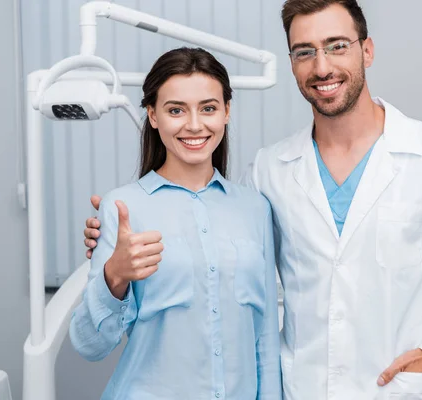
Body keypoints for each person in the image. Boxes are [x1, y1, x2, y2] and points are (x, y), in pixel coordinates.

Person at [83, 1, 422, 399]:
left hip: (397, 389)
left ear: (366, 50)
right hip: (302, 388)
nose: (322, 66)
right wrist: (112, 262)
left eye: (336, 46)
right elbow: (222, 248)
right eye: (305, 51)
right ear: (292, 63)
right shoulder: (270, 170)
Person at [71, 47, 282, 400]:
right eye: (176, 110)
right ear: (152, 115)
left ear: (227, 111)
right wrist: (115, 276)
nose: (195, 125)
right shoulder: (122, 208)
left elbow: (265, 338)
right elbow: (89, 345)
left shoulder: (255, 208)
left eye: (209, 108)